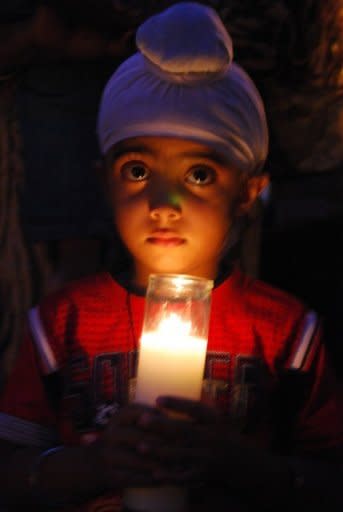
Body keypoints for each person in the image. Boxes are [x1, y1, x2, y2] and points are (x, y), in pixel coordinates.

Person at [0, 3, 342, 511]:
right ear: (104, 182)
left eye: (199, 175)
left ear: (249, 193)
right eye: (137, 171)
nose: (164, 204)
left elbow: (331, 481)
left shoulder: (286, 333)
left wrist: (233, 462)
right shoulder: (60, 325)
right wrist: (96, 465)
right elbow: (9, 473)